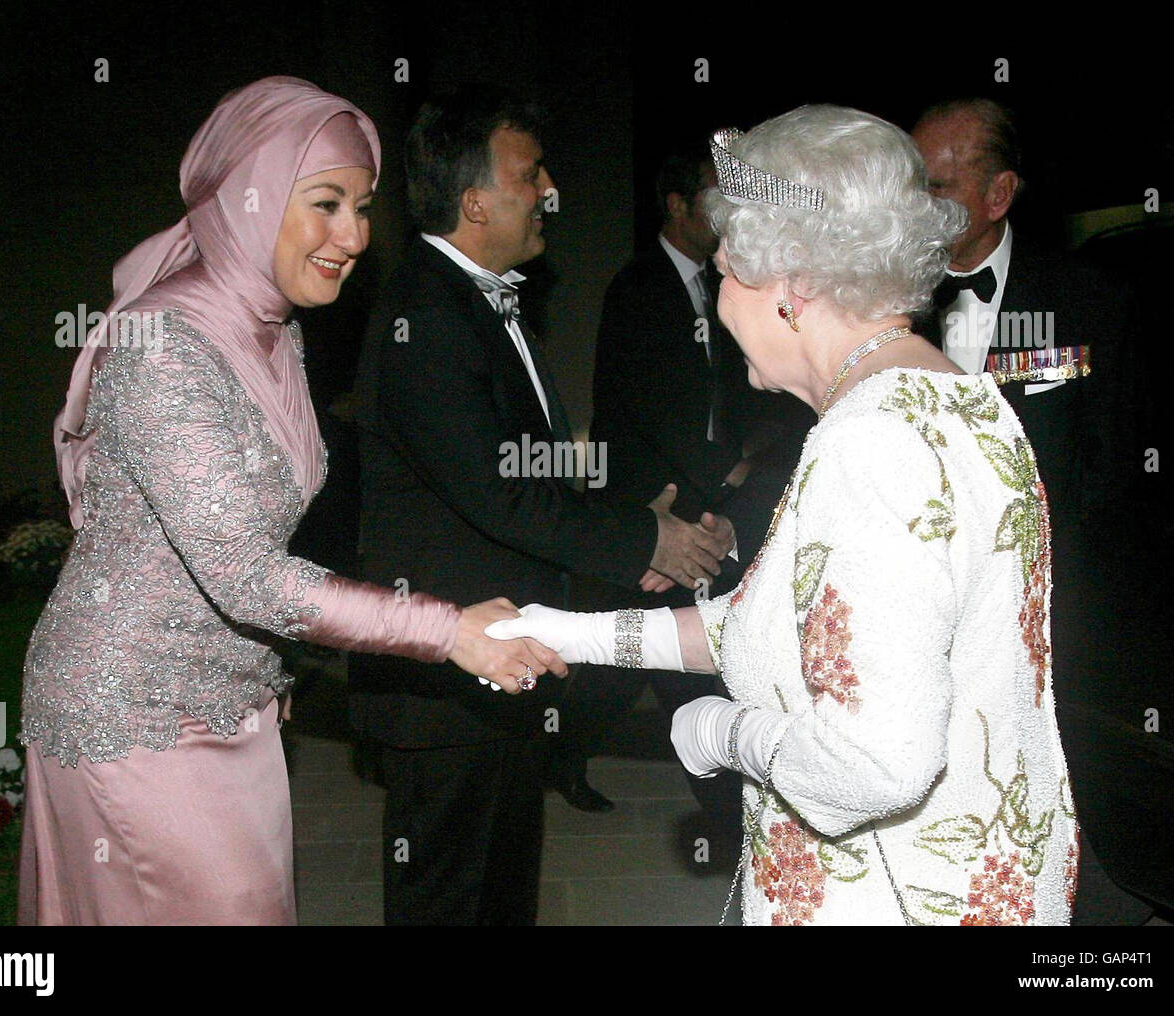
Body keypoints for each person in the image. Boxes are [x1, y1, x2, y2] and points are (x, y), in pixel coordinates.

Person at [488, 105, 1079, 925]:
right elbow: (779, 625)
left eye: (727, 271)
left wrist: (724, 734)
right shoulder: (956, 398)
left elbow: (877, 765)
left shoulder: (871, 441)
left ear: (793, 287)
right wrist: (564, 631)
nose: (719, 298)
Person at [17, 76, 564, 927]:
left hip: (239, 707)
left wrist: (272, 672)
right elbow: (245, 575)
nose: (353, 235)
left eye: (362, 205)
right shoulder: (163, 344)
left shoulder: (277, 331)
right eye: (326, 204)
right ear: (253, 198)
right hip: (131, 713)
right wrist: (446, 629)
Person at [350, 86, 735, 925]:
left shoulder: (479, 299)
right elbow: (495, 492)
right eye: (532, 174)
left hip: (507, 657)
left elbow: (525, 466)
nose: (551, 190)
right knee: (450, 901)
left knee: (501, 894)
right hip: (447, 676)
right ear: (474, 198)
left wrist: (636, 513)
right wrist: (645, 538)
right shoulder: (429, 315)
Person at [911, 98, 1147, 924]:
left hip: (1042, 620)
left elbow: (1111, 474)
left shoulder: (1090, 303)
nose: (913, 208)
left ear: (997, 194)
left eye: (933, 188)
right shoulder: (882, 297)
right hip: (914, 608)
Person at [553, 146, 809, 819]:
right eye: (711, 198)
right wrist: (721, 472)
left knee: (646, 652)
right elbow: (647, 399)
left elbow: (736, 394)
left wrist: (750, 466)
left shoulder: (723, 286)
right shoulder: (639, 286)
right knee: (647, 656)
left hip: (711, 502)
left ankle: (569, 753)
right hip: (649, 504)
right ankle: (725, 807)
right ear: (675, 205)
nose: (727, 215)